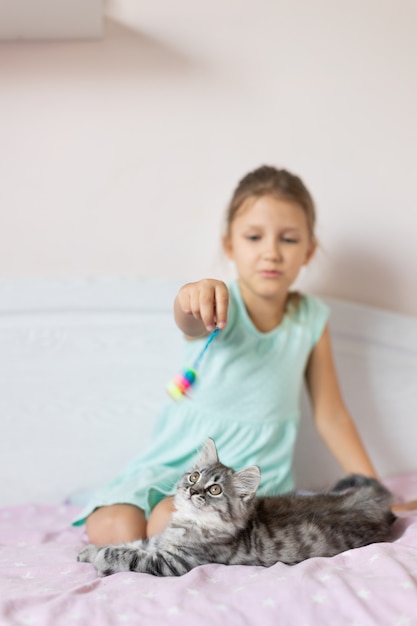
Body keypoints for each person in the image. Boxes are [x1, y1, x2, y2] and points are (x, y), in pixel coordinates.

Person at [73, 165, 411, 545]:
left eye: (288, 239)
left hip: (241, 481)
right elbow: (190, 321)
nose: (270, 252)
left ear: (308, 251)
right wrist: (192, 295)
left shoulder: (310, 320)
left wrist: (376, 495)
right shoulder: (219, 304)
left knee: (173, 528)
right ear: (230, 246)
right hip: (180, 460)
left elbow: (331, 415)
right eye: (254, 237)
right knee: (113, 527)